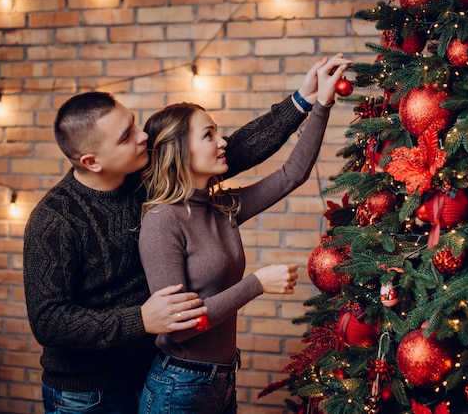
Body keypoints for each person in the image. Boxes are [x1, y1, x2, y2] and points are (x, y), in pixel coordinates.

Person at [22, 56, 332, 414]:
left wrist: (304, 101)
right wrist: (140, 319)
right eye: (127, 136)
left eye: (135, 124)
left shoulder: (146, 180)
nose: (143, 137)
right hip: (88, 393)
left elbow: (237, 150)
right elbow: (48, 322)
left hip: (150, 369)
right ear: (92, 161)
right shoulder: (54, 220)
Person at [137, 54, 351, 414]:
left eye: (217, 132)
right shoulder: (162, 221)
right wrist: (256, 283)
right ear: (177, 150)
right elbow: (182, 329)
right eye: (209, 135)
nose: (223, 143)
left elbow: (291, 175)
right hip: (179, 386)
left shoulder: (221, 207)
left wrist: (322, 105)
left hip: (221, 379)